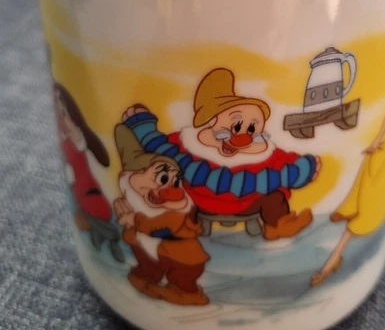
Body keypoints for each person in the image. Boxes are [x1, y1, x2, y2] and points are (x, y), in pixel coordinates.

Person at [116, 68, 321, 240]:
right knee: (178, 188)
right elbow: (160, 147)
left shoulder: (262, 154)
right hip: (200, 203)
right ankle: (185, 228)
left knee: (273, 198)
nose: (242, 135)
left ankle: (278, 225)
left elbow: (285, 161)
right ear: (211, 120)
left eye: (252, 129)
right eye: (236, 124)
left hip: (247, 205)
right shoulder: (189, 147)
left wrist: (304, 167)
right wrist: (143, 125)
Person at [311, 5, 385, 286]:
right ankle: (334, 256)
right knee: (369, 184)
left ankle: (335, 258)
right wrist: (379, 138)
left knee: (377, 190)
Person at [113, 143, 210, 306]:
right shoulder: (135, 201)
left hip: (182, 258)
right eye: (162, 178)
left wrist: (134, 219)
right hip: (156, 251)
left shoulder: (176, 215)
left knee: (182, 278)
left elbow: (155, 226)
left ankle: (186, 293)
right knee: (149, 266)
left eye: (175, 182)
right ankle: (145, 278)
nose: (170, 189)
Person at [54, 83, 124, 263]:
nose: (63, 122)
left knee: (98, 215)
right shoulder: (70, 144)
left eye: (64, 113)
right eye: (59, 113)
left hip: (91, 194)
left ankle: (110, 241)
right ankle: (107, 244)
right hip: (83, 193)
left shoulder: (80, 144)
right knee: (90, 220)